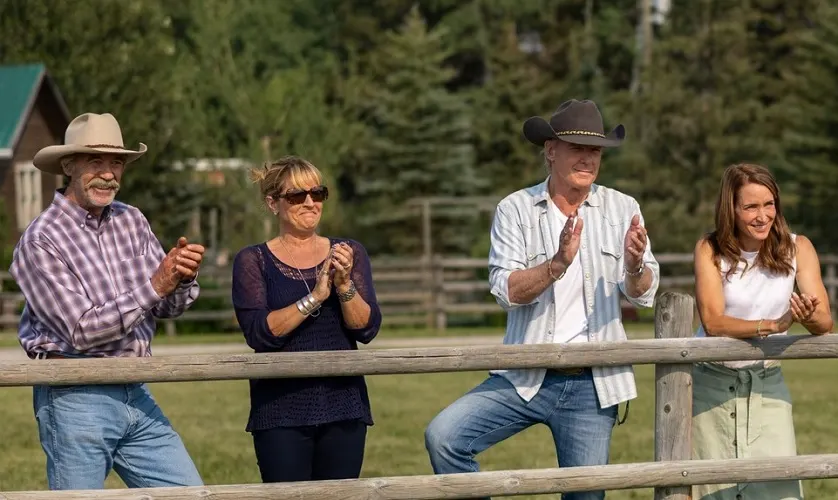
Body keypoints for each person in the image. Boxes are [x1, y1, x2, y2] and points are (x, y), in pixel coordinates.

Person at [424, 99, 661, 500]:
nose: (588, 159)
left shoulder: (624, 208)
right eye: (577, 148)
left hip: (593, 383)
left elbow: (645, 295)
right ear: (551, 152)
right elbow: (506, 291)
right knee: (444, 438)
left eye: (595, 150)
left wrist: (636, 266)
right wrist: (556, 265)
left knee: (585, 496)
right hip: (523, 374)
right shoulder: (514, 209)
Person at [9, 112, 205, 490]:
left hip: (135, 386)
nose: (108, 172)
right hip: (75, 392)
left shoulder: (131, 219)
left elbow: (164, 307)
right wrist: (156, 286)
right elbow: (82, 330)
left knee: (189, 494)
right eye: (95, 161)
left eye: (116, 162)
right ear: (69, 165)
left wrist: (181, 278)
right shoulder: (41, 240)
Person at [231, 155, 382, 483]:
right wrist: (313, 298)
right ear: (273, 204)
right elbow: (259, 334)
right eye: (297, 196)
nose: (310, 203)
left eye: (318, 193)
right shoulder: (253, 259)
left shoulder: (348, 251)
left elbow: (367, 328)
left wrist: (344, 287)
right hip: (280, 409)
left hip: (344, 405)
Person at [692, 163, 832, 500]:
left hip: (768, 383)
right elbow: (713, 322)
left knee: (777, 487)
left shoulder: (799, 248)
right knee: (712, 489)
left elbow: (825, 321)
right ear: (731, 209)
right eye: (751, 207)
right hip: (710, 384)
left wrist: (806, 315)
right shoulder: (709, 249)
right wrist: (772, 326)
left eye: (769, 204)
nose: (762, 215)